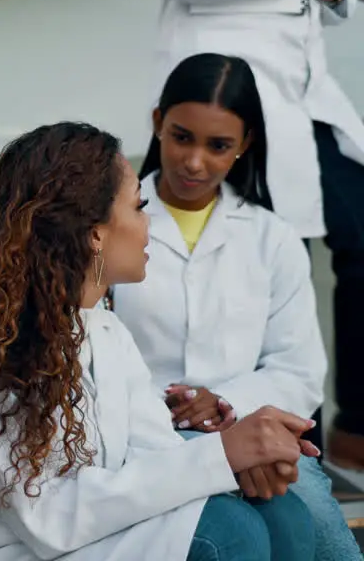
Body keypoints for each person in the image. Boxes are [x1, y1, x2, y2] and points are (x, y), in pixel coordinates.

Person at [0, 121, 319, 561]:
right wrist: (221, 456)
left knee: (285, 517)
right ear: (94, 233)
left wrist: (241, 461)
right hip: (13, 551)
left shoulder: (106, 331)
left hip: (87, 539)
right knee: (228, 533)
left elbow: (156, 455)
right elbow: (49, 517)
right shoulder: (3, 346)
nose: (151, 223)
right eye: (139, 207)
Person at [137, 0, 364, 465]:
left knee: (347, 229)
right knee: (265, 247)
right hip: (229, 78)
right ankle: (275, 433)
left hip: (304, 84)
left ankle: (334, 428)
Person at [112, 53, 360, 560]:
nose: (195, 161)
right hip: (141, 435)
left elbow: (299, 370)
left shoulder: (273, 239)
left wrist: (223, 401)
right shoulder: (111, 224)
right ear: (158, 123)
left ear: (245, 145)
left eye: (218, 145)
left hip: (250, 427)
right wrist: (177, 404)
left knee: (305, 507)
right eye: (182, 136)